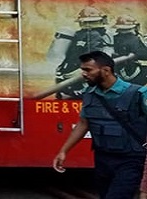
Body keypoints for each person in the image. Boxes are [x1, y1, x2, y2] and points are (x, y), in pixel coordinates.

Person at [54, 51, 147, 199]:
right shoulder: (90, 94)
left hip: (130, 159)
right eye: (83, 70)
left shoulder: (138, 93)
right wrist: (63, 151)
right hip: (102, 158)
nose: (83, 74)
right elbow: (83, 123)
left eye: (88, 70)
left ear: (106, 71)